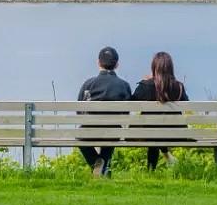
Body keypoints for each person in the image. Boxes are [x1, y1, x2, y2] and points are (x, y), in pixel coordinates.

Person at [76, 46, 132, 177]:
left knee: (80, 137)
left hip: (89, 131)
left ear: (98, 63)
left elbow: (79, 110)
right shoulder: (124, 85)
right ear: (117, 65)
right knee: (113, 130)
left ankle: (97, 162)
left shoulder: (88, 84)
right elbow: (126, 113)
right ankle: (104, 168)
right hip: (114, 131)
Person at [131, 51, 189, 170]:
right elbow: (186, 103)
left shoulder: (145, 86)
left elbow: (131, 103)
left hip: (146, 134)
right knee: (158, 133)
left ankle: (151, 170)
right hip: (176, 134)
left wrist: (147, 82)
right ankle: (165, 157)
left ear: (154, 67)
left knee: (154, 132)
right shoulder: (179, 87)